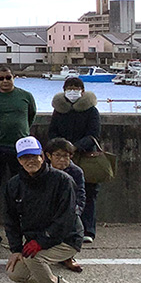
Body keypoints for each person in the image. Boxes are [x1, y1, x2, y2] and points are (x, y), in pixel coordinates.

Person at [2, 136, 83, 283]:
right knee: (15, 272)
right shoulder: (14, 185)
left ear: (42, 156)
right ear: (19, 160)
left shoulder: (63, 180)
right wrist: (15, 249)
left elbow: (66, 217)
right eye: (25, 157)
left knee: (33, 257)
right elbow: (11, 219)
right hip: (36, 239)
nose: (30, 161)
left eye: (34, 156)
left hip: (66, 237)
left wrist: (42, 241)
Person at [48, 77, 101, 244]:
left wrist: (75, 147)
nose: (73, 91)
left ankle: (88, 230)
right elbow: (52, 132)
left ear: (83, 91)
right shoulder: (59, 110)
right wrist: (61, 148)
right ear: (64, 90)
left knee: (88, 192)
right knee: (60, 191)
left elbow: (94, 135)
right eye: (69, 88)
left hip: (85, 156)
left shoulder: (91, 110)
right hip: (61, 156)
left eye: (76, 88)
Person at [0, 66, 37, 206]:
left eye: (8, 77)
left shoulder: (26, 96)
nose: (5, 81)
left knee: (21, 182)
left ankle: (20, 212)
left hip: (20, 148)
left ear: (14, 77)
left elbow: (31, 116)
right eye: (1, 78)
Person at [45, 138, 87, 273]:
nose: (62, 159)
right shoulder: (43, 170)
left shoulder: (76, 172)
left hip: (68, 209)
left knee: (73, 227)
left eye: (66, 156)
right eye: (58, 155)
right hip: (46, 208)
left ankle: (68, 257)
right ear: (49, 156)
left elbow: (81, 194)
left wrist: (76, 211)